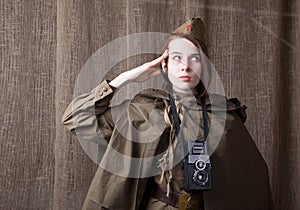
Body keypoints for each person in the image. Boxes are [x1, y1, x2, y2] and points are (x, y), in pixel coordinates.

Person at [62, 18, 274, 210]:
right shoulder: (142, 110)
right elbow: (75, 118)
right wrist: (125, 79)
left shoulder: (225, 116)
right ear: (164, 64)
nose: (185, 67)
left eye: (194, 58)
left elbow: (252, 179)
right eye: (177, 58)